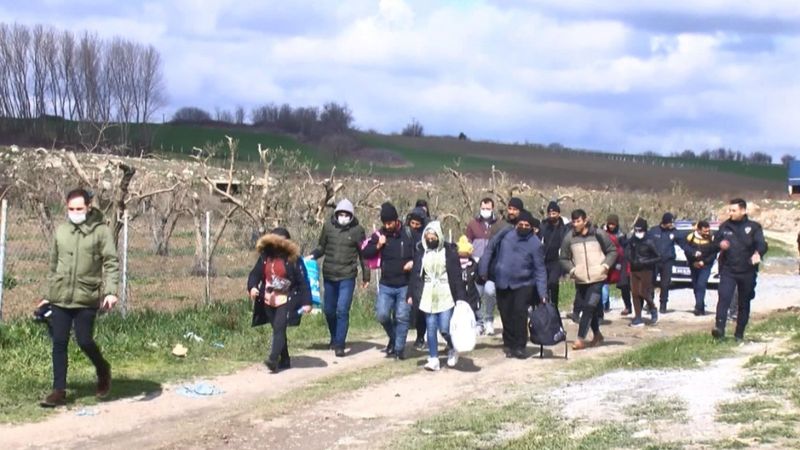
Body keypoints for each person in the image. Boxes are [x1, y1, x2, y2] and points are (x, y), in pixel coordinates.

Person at [40, 188, 119, 408]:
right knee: (59, 342)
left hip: (86, 296)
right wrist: (48, 296)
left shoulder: (100, 231)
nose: (75, 212)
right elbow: (53, 266)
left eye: (79, 208)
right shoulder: (61, 231)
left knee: (84, 340)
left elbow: (111, 262)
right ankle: (58, 391)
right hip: (60, 296)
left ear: (88, 207)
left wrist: (111, 291)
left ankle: (103, 369)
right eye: (71, 209)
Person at [478, 209, 547, 359]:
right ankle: (508, 343)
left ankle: (520, 345)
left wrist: (542, 293)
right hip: (502, 281)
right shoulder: (505, 235)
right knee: (506, 314)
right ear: (516, 224)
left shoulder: (535, 243)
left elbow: (540, 269)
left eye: (526, 225)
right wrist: (483, 270)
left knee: (519, 313)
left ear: (530, 226)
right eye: (520, 223)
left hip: (524, 283)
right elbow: (490, 249)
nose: (523, 226)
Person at [408, 222, 475, 371]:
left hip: (445, 293)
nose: (430, 239)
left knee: (444, 327)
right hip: (428, 293)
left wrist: (461, 298)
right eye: (428, 236)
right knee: (430, 327)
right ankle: (433, 358)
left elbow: (457, 276)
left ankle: (453, 347)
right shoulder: (421, 252)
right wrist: (411, 293)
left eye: (433, 236)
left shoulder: (449, 252)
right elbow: (415, 275)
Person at [309, 199, 370, 357]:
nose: (343, 217)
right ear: (336, 214)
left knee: (342, 310)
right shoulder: (328, 227)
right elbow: (322, 246)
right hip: (329, 274)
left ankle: (340, 345)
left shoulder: (358, 231)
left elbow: (364, 255)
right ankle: (334, 337)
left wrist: (366, 276)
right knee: (329, 310)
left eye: (346, 215)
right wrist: (312, 256)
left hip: (347, 276)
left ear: (351, 216)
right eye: (340, 214)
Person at [248, 228, 312, 372]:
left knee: (279, 327)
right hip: (268, 299)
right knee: (278, 330)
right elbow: (255, 274)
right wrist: (252, 287)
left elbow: (303, 281)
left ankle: (273, 359)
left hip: (287, 299)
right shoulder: (265, 258)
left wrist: (307, 302)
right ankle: (285, 358)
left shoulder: (293, 259)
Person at [362, 202, 415, 360]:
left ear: (396, 220)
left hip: (405, 284)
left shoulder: (408, 234)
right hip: (386, 284)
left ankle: (399, 350)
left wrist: (413, 263)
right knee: (382, 315)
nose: (387, 225)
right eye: (385, 223)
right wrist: (378, 245)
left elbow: (420, 252)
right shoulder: (379, 235)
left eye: (390, 222)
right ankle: (394, 337)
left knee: (402, 316)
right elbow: (366, 253)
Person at [560, 209, 617, 350]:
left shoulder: (598, 234)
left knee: (589, 307)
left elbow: (612, 251)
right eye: (573, 221)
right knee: (592, 308)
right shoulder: (569, 238)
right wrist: (573, 270)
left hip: (598, 277)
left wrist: (605, 266)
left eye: (578, 221)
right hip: (581, 279)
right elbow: (563, 258)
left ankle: (580, 339)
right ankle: (597, 334)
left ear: (585, 220)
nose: (575, 224)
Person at [711, 199, 768, 341]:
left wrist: (757, 254)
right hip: (728, 269)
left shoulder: (753, 227)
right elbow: (714, 243)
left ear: (743, 211)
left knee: (744, 302)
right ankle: (719, 329)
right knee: (724, 297)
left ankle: (739, 334)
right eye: (729, 210)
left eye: (733, 210)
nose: (730, 213)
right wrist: (720, 244)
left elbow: (762, 244)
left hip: (747, 270)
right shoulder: (725, 226)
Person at [478, 196, 524, 336]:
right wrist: (484, 269)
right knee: (490, 291)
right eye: (510, 208)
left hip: (519, 273)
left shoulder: (525, 225)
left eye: (515, 209)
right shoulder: (499, 226)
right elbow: (490, 249)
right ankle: (489, 320)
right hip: (497, 270)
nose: (511, 211)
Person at [626, 218, 661, 327]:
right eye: (636, 231)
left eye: (640, 231)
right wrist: (631, 260)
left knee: (643, 292)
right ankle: (638, 317)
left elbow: (659, 257)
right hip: (634, 269)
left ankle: (652, 307)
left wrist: (645, 262)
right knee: (635, 293)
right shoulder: (632, 241)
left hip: (646, 270)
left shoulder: (650, 241)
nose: (638, 233)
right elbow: (627, 252)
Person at [679, 220, 718, 316]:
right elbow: (686, 250)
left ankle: (698, 307)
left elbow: (714, 253)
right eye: (705, 231)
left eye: (708, 231)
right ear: (699, 230)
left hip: (706, 265)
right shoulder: (690, 237)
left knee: (701, 284)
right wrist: (693, 261)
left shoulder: (712, 238)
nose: (707, 233)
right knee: (696, 285)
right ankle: (700, 306)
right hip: (694, 265)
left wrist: (703, 262)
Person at [406, 206, 429, 351]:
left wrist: (416, 262)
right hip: (404, 273)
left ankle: (421, 336)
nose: (414, 227)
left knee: (420, 308)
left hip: (419, 275)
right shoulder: (404, 233)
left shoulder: (425, 238)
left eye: (417, 225)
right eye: (412, 223)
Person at [540, 201, 568, 309]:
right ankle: (545, 306)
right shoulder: (544, 225)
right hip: (544, 259)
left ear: (558, 214)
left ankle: (554, 305)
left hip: (557, 260)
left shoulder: (564, 227)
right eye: (550, 213)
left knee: (553, 282)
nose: (552, 216)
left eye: (554, 213)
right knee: (544, 284)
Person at [647, 213, 677, 313]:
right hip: (654, 261)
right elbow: (647, 243)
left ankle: (663, 304)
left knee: (665, 284)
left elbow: (683, 242)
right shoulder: (653, 231)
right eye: (670, 222)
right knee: (651, 283)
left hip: (667, 261)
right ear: (665, 222)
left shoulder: (673, 232)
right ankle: (650, 303)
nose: (671, 224)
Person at [602, 215, 631, 315]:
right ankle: (605, 304)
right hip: (607, 260)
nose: (611, 226)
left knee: (624, 286)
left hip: (620, 262)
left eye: (613, 224)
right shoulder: (603, 234)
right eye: (609, 224)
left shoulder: (621, 235)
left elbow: (625, 249)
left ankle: (628, 306)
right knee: (604, 283)